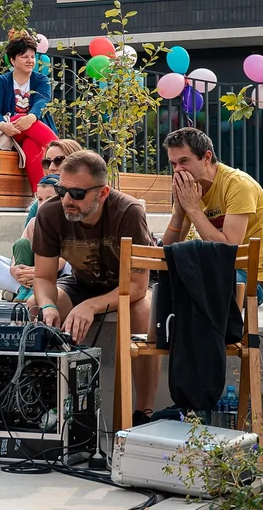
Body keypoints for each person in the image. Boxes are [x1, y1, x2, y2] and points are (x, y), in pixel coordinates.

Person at [31, 150, 159, 425]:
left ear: (102, 193)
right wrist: (48, 305)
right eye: (61, 189)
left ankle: (144, 412)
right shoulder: (51, 212)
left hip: (124, 287)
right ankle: (43, 407)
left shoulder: (128, 212)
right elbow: (43, 278)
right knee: (35, 310)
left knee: (143, 314)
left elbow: (137, 286)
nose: (66, 200)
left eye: (77, 194)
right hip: (80, 284)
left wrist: (92, 306)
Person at [162, 127, 263, 300]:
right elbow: (167, 252)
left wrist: (193, 209)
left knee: (196, 287)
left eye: (184, 161)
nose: (178, 170)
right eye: (173, 164)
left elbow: (229, 249)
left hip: (250, 276)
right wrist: (179, 212)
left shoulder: (238, 185)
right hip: (214, 269)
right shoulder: (190, 188)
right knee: (164, 285)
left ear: (206, 157)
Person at [0, 175, 69, 298]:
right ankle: (25, 289)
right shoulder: (34, 222)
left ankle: (46, 290)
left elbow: (67, 259)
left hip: (55, 275)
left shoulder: (70, 222)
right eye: (40, 199)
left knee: (71, 266)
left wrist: (41, 272)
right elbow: (21, 247)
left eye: (49, 199)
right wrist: (14, 269)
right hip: (30, 272)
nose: (43, 204)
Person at [0, 33, 59, 192]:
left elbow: (42, 101)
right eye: (24, 56)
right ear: (13, 60)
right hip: (12, 132)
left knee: (31, 145)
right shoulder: (2, 81)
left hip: (34, 134)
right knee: (19, 117)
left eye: (32, 56)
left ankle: (38, 195)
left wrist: (31, 117)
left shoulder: (41, 79)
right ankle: (66, 154)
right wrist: (3, 125)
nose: (30, 60)